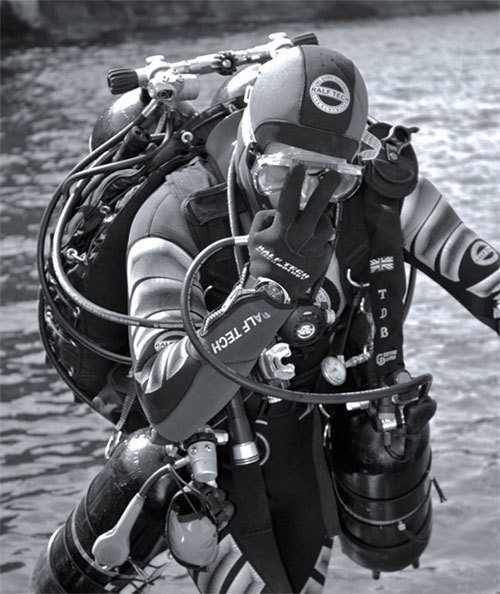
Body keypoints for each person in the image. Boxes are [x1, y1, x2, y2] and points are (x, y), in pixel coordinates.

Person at [32, 43, 499, 594]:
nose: (308, 195)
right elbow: (168, 407)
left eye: (335, 179)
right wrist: (267, 291)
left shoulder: (378, 190)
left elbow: (488, 281)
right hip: (205, 447)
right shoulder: (172, 217)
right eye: (283, 173)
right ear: (248, 149)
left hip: (301, 428)